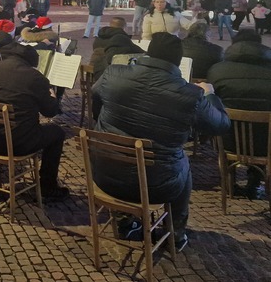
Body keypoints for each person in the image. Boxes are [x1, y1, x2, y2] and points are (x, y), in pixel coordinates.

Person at [92, 33, 230, 250]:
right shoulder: (191, 95)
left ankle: (124, 221)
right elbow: (220, 125)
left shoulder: (113, 73)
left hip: (104, 176)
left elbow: (95, 95)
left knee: (128, 151)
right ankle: (174, 233)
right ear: (177, 62)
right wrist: (210, 95)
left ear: (149, 53)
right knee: (181, 161)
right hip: (157, 186)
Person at [0, 42, 70, 200]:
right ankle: (47, 186)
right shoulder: (35, 78)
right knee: (57, 133)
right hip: (18, 144)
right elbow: (50, 111)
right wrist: (51, 95)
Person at [207, 30, 271, 200]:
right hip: (267, 143)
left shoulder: (217, 70)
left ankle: (229, 181)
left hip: (228, 140)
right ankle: (255, 181)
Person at [89, 17, 144, 82]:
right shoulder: (121, 38)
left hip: (94, 70)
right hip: (109, 73)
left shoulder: (99, 37)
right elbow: (136, 51)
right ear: (124, 27)